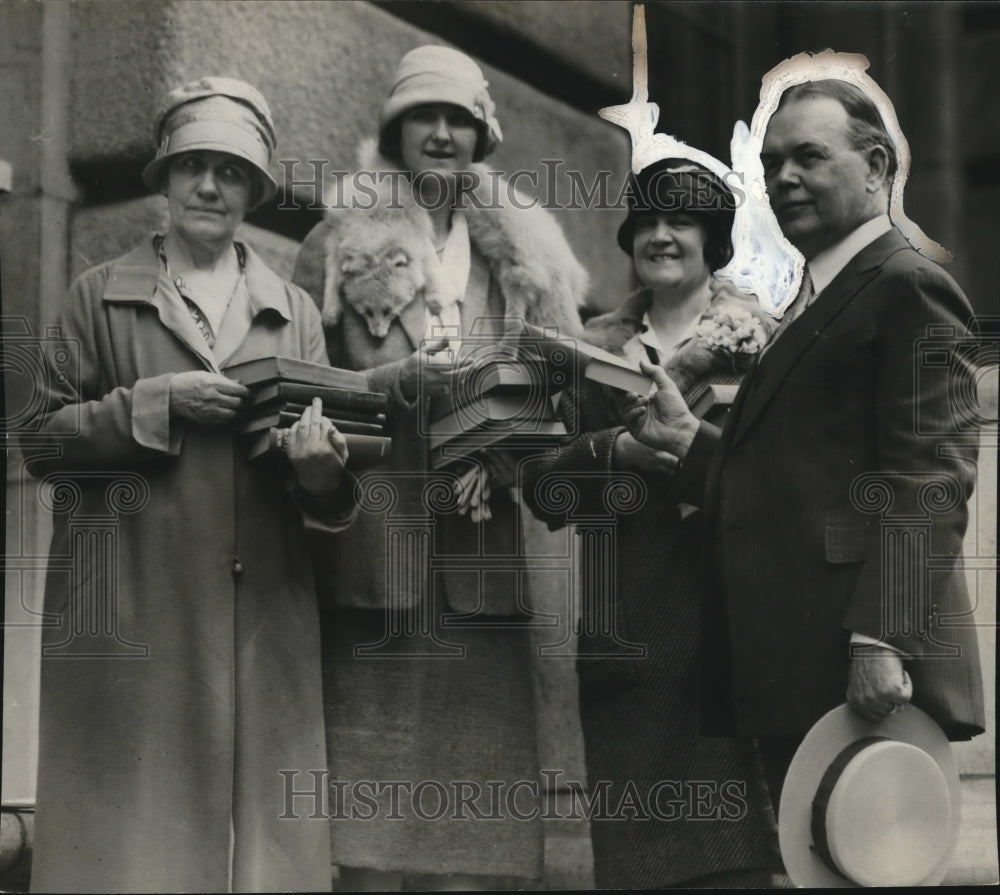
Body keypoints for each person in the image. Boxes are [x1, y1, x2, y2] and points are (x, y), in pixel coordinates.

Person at [621, 78, 986, 826]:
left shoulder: (908, 286)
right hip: (803, 662)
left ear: (878, 168)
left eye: (810, 158)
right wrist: (690, 443)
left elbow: (931, 478)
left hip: (859, 664)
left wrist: (881, 637)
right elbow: (792, 473)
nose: (784, 178)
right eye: (773, 163)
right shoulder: (820, 294)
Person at [26, 77, 356, 893]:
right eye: (193, 166)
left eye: (232, 170)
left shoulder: (295, 309)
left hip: (261, 620)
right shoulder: (96, 295)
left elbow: (331, 483)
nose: (210, 186)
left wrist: (322, 473)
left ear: (253, 189)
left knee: (262, 854)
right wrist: (150, 403)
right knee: (130, 848)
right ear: (165, 179)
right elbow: (38, 438)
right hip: (134, 612)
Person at [291, 46, 588, 891]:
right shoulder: (336, 242)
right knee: (372, 835)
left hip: (484, 554)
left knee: (477, 837)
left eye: (461, 118)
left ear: (483, 135)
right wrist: (395, 385)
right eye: (426, 115)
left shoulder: (525, 256)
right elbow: (298, 383)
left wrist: (502, 449)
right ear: (395, 130)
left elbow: (569, 385)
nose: (444, 134)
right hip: (375, 549)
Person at [521, 158, 781, 888]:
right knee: (643, 867)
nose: (662, 236)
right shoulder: (589, 349)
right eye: (648, 222)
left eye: (683, 221)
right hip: (627, 631)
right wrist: (620, 451)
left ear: (715, 239)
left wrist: (700, 450)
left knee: (741, 862)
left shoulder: (768, 340)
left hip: (734, 628)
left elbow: (792, 485)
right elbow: (541, 486)